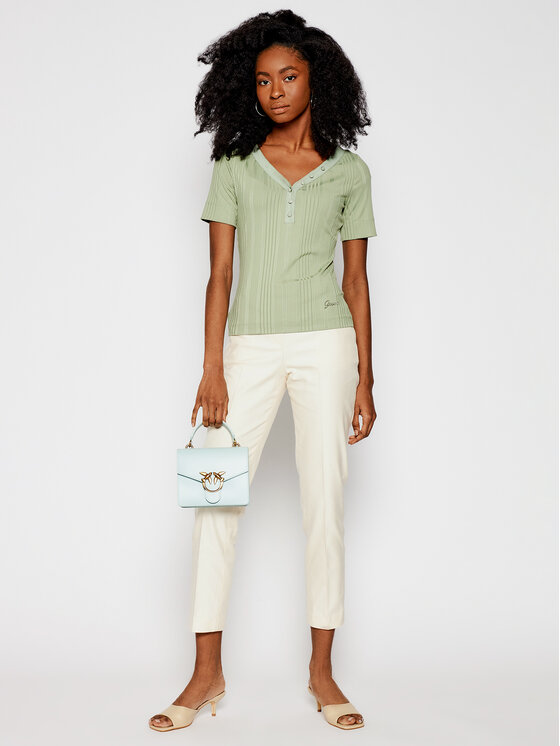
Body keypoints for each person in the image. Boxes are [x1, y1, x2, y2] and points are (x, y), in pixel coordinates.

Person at [149, 9, 378, 732]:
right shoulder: (234, 165)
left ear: (317, 80)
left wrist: (366, 377)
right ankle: (205, 674)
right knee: (213, 500)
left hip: (326, 347)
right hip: (246, 349)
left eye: (289, 76)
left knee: (324, 506)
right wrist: (211, 367)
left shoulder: (349, 172)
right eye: (262, 80)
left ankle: (322, 673)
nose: (275, 91)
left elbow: (356, 282)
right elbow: (219, 275)